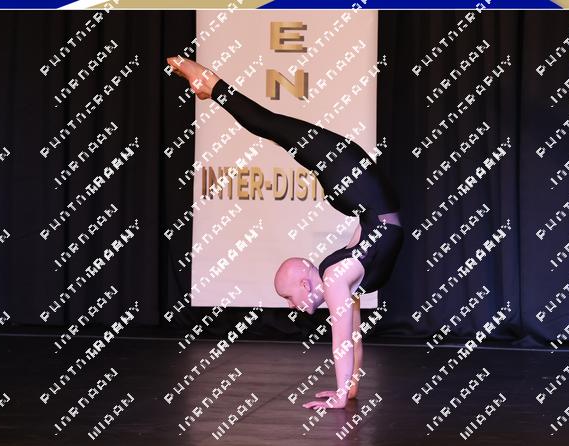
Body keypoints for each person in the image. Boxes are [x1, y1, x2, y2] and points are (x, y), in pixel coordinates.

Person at [167, 56, 404, 410]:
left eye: (289, 297)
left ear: (306, 284)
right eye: (287, 299)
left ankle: (208, 82)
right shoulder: (345, 273)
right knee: (273, 130)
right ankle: (209, 86)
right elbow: (353, 335)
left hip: (352, 176)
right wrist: (349, 387)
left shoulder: (337, 275)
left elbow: (341, 338)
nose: (290, 305)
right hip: (359, 190)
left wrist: (340, 396)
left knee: (271, 126)